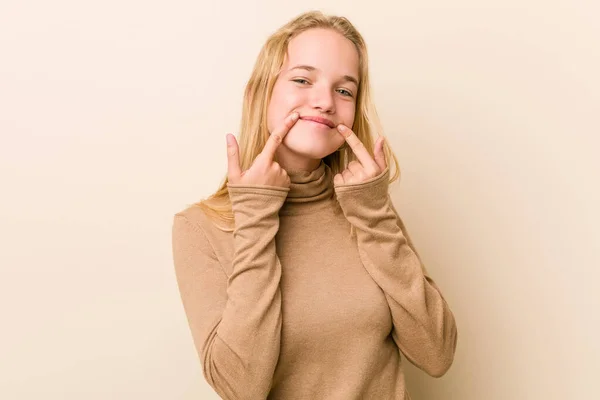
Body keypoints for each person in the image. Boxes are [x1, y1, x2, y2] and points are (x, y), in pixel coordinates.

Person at [171, 10, 458, 400]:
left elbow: (437, 353)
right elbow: (240, 388)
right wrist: (255, 214)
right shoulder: (200, 228)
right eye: (303, 80)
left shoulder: (364, 207)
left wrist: (374, 215)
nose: (325, 101)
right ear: (260, 92)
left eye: (345, 90)